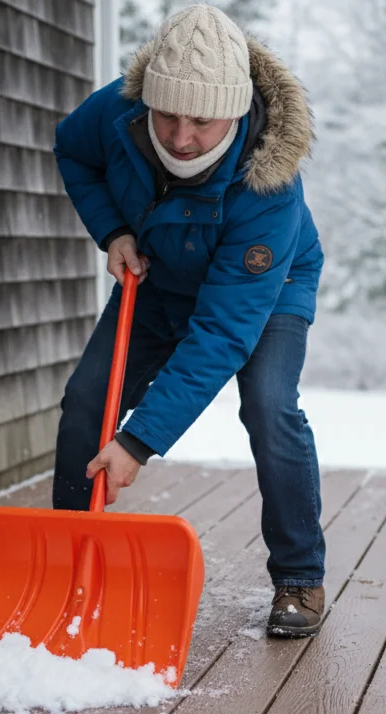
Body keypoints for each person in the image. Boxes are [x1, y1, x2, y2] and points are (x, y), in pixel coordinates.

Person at [50, 4, 327, 637]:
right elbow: (73, 150)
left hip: (264, 289)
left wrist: (138, 443)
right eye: (167, 114)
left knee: (268, 405)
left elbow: (223, 334)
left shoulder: (268, 189)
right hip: (157, 274)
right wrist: (113, 231)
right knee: (88, 400)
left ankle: (299, 577)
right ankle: (73, 560)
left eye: (201, 120)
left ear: (233, 110)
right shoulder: (116, 112)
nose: (179, 136)